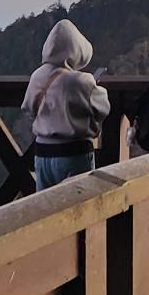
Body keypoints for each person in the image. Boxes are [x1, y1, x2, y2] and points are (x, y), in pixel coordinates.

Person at [23, 20, 111, 190]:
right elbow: (103, 107)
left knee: (45, 205)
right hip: (73, 153)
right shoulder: (80, 80)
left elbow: (28, 108)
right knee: (79, 204)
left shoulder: (36, 76)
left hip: (42, 152)